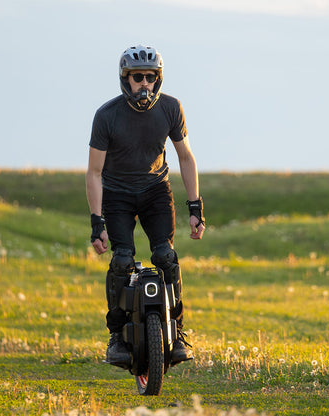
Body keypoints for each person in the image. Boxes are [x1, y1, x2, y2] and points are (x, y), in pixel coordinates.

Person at [86, 45, 205, 367]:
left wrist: (195, 207)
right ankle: (116, 338)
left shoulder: (171, 108)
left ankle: (177, 333)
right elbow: (94, 172)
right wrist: (98, 222)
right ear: (126, 80)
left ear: (158, 79)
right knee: (122, 261)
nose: (144, 84)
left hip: (155, 191)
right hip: (117, 194)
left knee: (165, 257)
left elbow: (185, 157)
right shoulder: (107, 115)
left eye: (150, 78)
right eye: (137, 77)